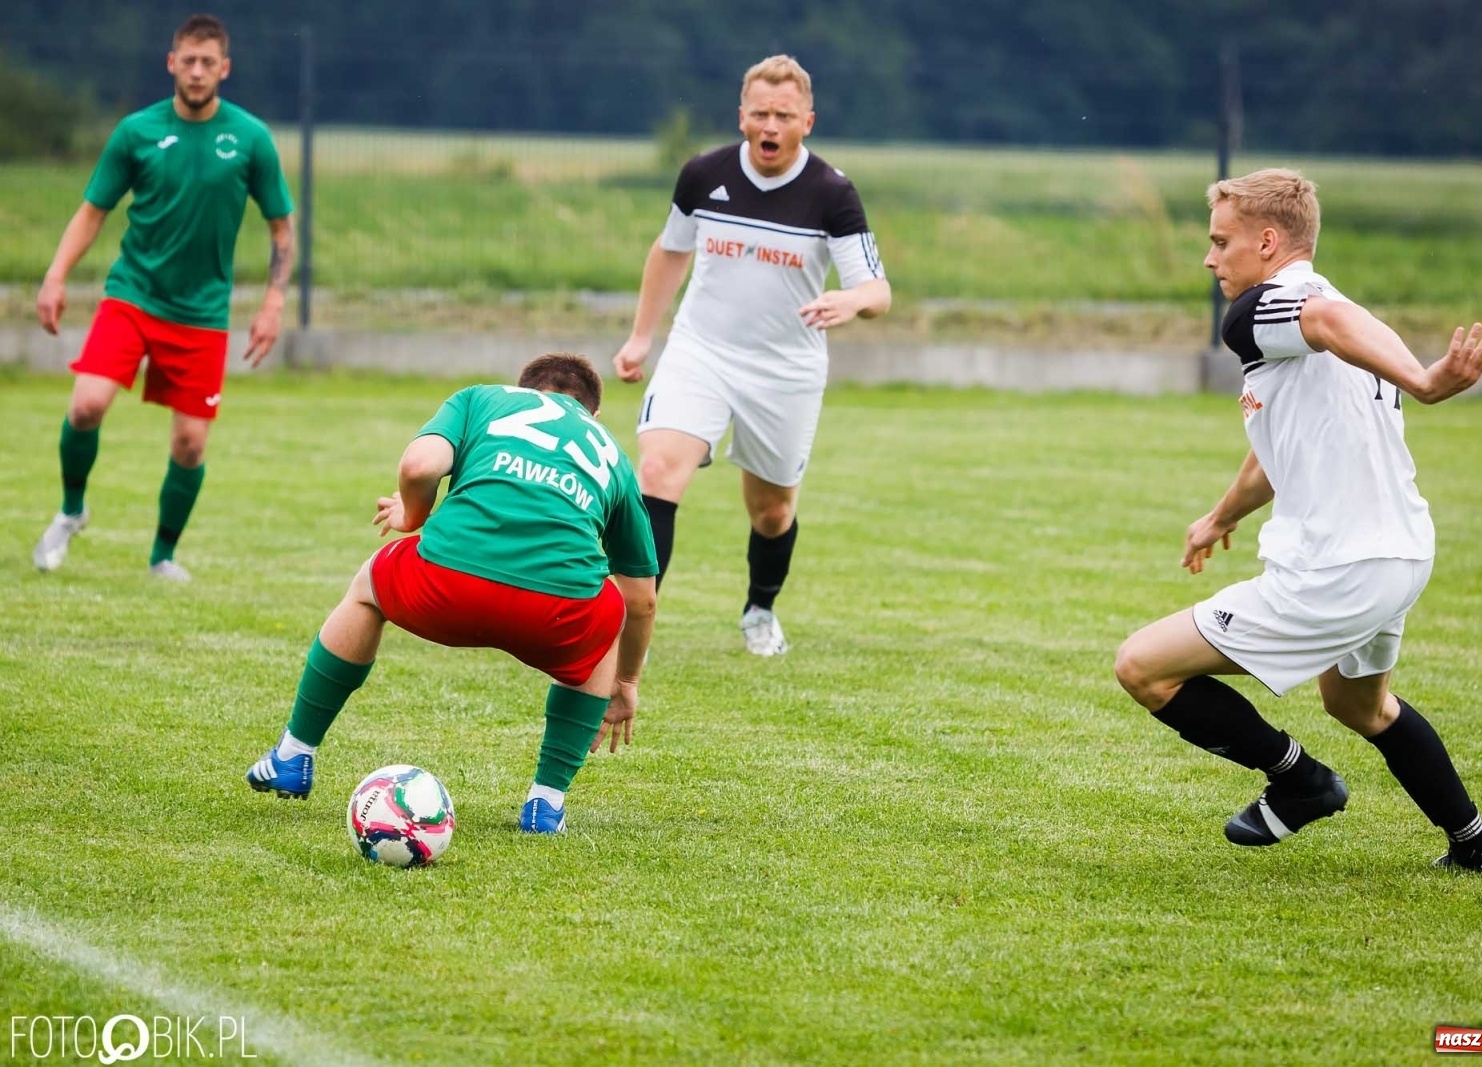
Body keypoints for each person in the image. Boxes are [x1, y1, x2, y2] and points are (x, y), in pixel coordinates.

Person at [1114, 168, 1482, 875]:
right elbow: (1279, 449)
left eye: (1219, 242)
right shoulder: (1335, 306)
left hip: (1337, 570)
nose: (1210, 259)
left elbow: (1319, 322)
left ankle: (1299, 779)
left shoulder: (1264, 307)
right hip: (1400, 556)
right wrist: (1217, 516)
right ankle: (1476, 847)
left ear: (1267, 242)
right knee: (1361, 705)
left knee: (1142, 667)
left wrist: (1425, 383)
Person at [245, 354, 658, 834]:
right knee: (607, 612)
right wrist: (626, 683)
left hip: (446, 584)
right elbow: (641, 599)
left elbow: (420, 465)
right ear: (593, 415)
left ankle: (294, 754)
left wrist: (413, 516)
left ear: (522, 390)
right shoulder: (611, 452)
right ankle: (546, 804)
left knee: (367, 589)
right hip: (554, 614)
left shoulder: (482, 398)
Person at [611, 54, 891, 656]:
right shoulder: (703, 174)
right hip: (700, 350)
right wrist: (641, 336)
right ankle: (626, 623)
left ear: (807, 121)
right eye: (760, 113)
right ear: (742, 116)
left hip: (784, 370)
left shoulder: (832, 193)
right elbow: (670, 252)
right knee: (657, 470)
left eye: (783, 115)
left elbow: (878, 290)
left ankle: (760, 607)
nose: (770, 125)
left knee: (771, 511)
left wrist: (851, 302)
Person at [32, 13, 295, 581]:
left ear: (224, 69)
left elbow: (281, 228)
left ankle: (162, 557)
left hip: (201, 314)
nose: (197, 72)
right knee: (86, 405)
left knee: (190, 447)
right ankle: (71, 511)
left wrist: (273, 302)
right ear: (170, 62)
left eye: (208, 62)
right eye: (188, 60)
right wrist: (55, 275)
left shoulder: (250, 139)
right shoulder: (136, 132)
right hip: (133, 296)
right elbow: (92, 211)